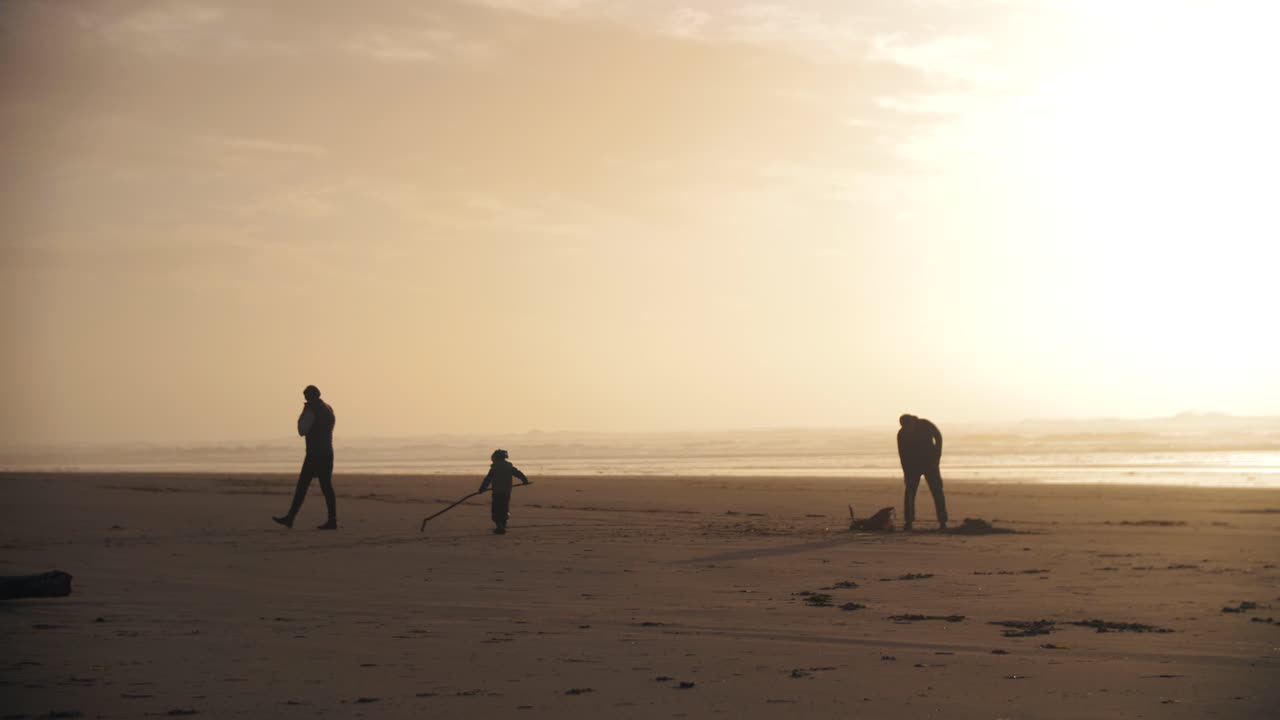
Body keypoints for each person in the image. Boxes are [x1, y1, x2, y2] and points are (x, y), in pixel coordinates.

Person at [273, 385, 338, 530]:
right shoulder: (329, 408)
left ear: (308, 396)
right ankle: (332, 519)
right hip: (327, 452)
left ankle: (290, 517)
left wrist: (303, 413)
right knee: (326, 487)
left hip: (314, 454)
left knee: (302, 487)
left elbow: (302, 430)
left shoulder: (310, 410)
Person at [897, 413, 948, 531]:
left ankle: (943, 521)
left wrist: (937, 455)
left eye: (908, 427)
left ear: (912, 422)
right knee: (910, 493)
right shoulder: (902, 434)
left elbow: (938, 436)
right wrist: (906, 472)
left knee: (937, 491)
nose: (907, 430)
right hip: (912, 467)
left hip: (930, 464)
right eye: (904, 427)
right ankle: (908, 521)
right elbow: (902, 455)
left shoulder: (925, 425)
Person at [478, 449, 528, 534]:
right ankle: (502, 525)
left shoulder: (494, 467)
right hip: (506, 491)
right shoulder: (508, 466)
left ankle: (499, 525)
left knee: (496, 508)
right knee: (504, 507)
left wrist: (482, 488)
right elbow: (518, 473)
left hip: (497, 491)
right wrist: (525, 480)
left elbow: (488, 479)